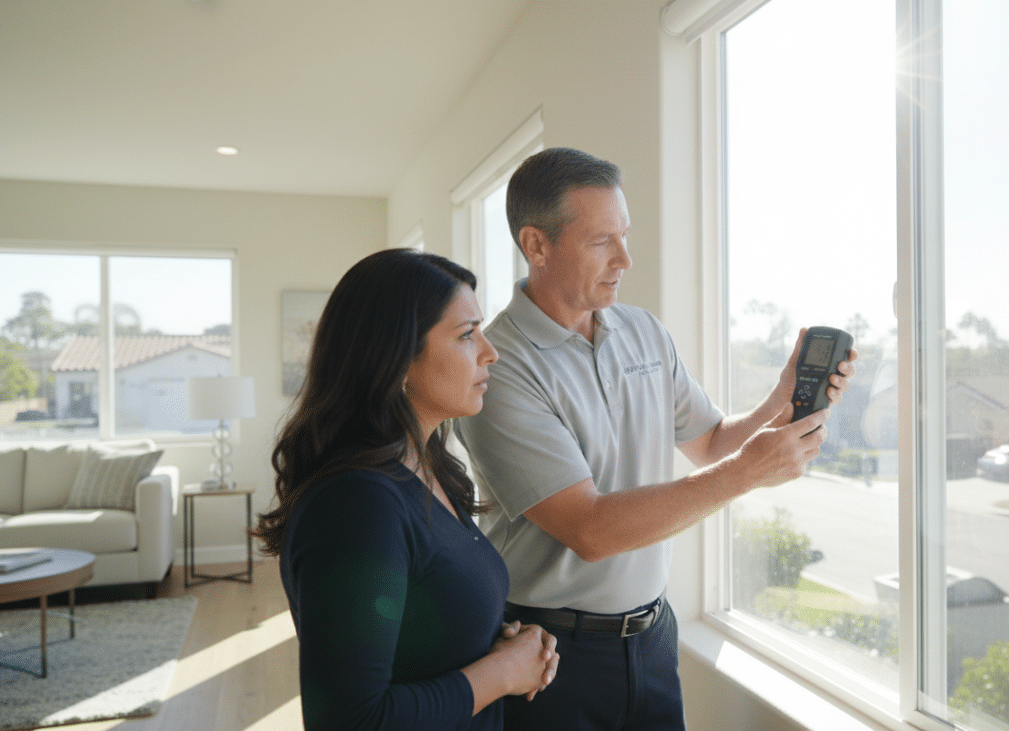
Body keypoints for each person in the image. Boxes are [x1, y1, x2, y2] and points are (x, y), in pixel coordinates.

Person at [454, 147, 858, 730]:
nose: (625, 258)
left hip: (652, 639)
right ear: (536, 245)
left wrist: (781, 398)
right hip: (548, 656)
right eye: (601, 242)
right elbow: (590, 529)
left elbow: (714, 442)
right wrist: (747, 473)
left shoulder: (642, 330)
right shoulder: (499, 366)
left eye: (625, 235)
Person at [253, 249, 558, 731]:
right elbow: (350, 720)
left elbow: (420, 629)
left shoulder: (431, 468)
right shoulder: (356, 505)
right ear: (397, 360)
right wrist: (501, 673)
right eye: (466, 335)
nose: (489, 350)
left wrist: (503, 645)